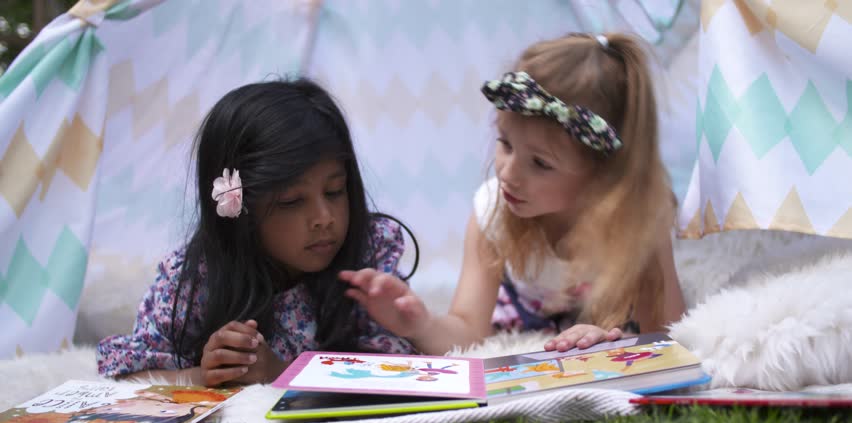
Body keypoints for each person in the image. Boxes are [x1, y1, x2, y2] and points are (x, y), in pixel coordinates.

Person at [341, 33, 686, 355]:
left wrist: (613, 343)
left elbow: (669, 338)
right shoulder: (494, 210)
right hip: (525, 319)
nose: (507, 173)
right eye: (505, 143)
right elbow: (467, 330)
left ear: (605, 176)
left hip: (609, 314)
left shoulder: (640, 219)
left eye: (540, 163)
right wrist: (420, 324)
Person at [97, 78, 419, 386]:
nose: (324, 218)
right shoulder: (194, 281)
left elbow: (398, 366)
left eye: (335, 191)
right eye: (292, 201)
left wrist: (282, 374)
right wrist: (205, 376)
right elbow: (127, 375)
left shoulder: (366, 259)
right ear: (238, 208)